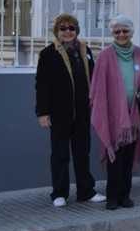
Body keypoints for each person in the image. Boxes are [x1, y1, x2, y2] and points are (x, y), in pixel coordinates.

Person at [35, 14, 106, 207]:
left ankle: (86, 191)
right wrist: (42, 113)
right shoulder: (48, 54)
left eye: (71, 28)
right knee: (60, 154)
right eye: (63, 28)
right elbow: (42, 85)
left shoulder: (84, 50)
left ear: (77, 31)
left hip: (82, 112)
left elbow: (94, 78)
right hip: (60, 112)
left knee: (82, 152)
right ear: (57, 32)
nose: (68, 32)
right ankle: (59, 193)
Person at [90, 15, 140, 210]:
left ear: (131, 32)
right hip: (112, 116)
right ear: (112, 33)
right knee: (115, 158)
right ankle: (112, 197)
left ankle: (125, 196)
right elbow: (97, 87)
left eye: (125, 31)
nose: (121, 34)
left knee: (128, 158)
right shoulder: (105, 56)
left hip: (134, 115)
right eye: (117, 31)